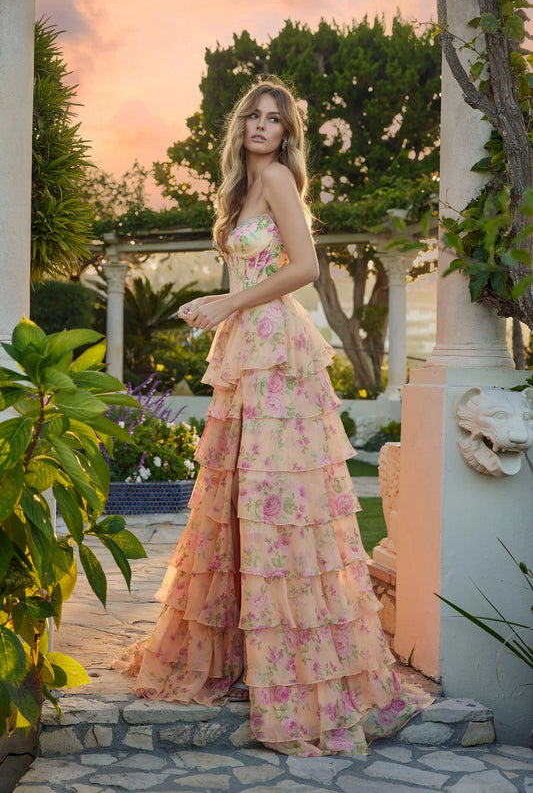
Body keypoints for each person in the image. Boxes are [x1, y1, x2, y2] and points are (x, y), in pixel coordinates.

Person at [116, 78, 432, 756]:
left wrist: (226, 306)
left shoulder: (282, 181)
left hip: (278, 353)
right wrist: (215, 305)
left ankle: (294, 673)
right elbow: (246, 275)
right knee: (231, 501)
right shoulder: (238, 189)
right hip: (243, 350)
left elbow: (306, 268)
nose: (262, 125)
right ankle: (241, 656)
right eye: (253, 116)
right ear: (241, 128)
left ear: (287, 132)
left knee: (276, 503)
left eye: (274, 118)